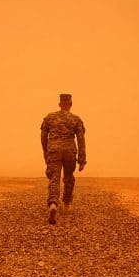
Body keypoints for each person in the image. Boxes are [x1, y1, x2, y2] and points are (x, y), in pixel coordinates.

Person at [40, 93, 86, 224]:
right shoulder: (76, 119)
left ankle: (53, 204)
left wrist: (46, 152)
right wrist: (82, 159)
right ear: (70, 105)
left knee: (54, 178)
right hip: (70, 152)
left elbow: (43, 137)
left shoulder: (49, 117)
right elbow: (81, 140)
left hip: (54, 150)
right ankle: (66, 204)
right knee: (68, 177)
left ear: (60, 104)